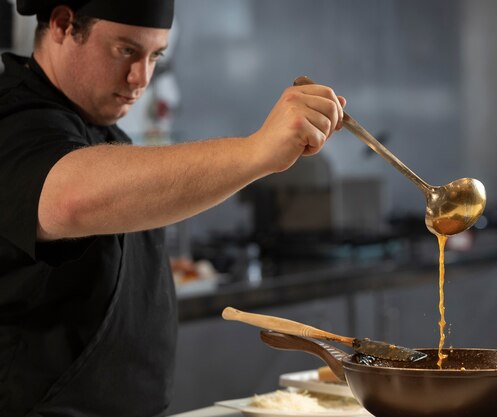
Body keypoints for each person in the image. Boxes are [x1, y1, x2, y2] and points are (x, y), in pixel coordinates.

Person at [0, 0, 345, 415]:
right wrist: (256, 152)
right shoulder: (14, 121)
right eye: (125, 50)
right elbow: (67, 200)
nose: (141, 77)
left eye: (155, 56)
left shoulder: (100, 130)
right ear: (61, 24)